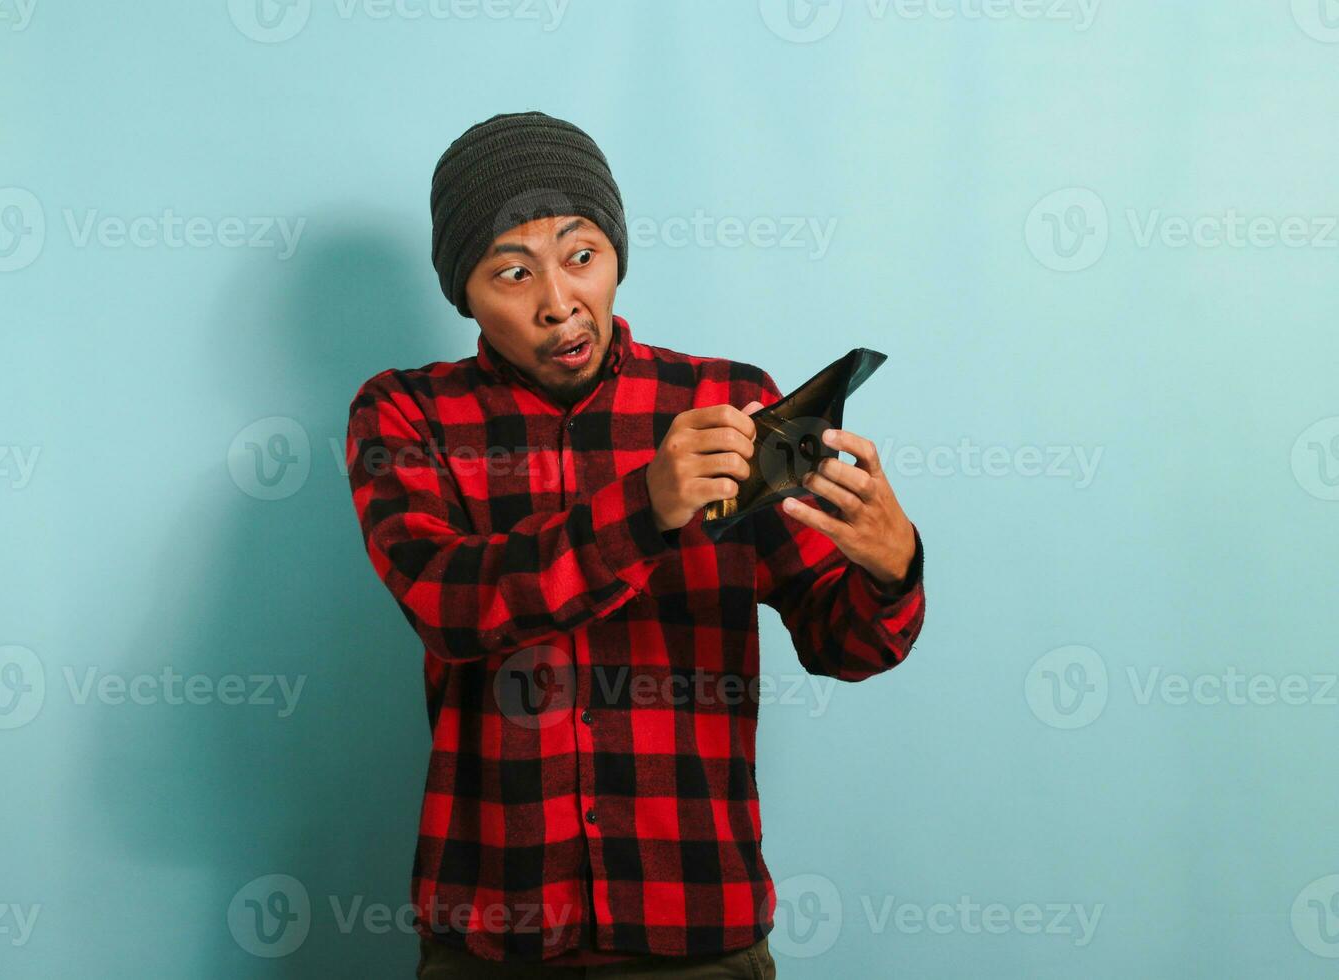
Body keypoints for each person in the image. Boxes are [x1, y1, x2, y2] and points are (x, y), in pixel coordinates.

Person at [345, 110, 926, 978]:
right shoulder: (406, 413)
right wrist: (646, 506)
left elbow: (841, 643)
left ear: (616, 253)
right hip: (492, 933)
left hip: (698, 925)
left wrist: (891, 567)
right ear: (462, 291)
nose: (558, 302)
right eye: (513, 272)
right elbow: (448, 603)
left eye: (582, 257)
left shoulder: (728, 401)